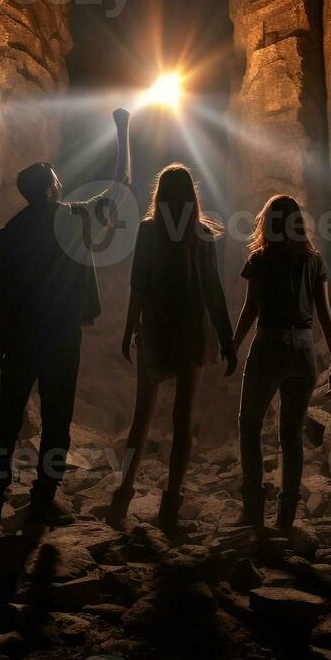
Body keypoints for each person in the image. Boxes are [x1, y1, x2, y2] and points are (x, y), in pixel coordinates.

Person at [0, 108, 132, 537]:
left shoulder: (8, 235)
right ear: (48, 192)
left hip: (21, 337)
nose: (62, 184)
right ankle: (43, 501)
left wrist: (1, 339)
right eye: (57, 181)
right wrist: (122, 128)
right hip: (61, 334)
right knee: (57, 419)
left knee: (6, 418)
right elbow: (120, 188)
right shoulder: (72, 217)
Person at [106, 163, 237, 533]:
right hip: (192, 332)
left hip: (156, 331)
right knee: (183, 421)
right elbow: (214, 291)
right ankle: (170, 505)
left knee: (140, 418)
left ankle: (122, 498)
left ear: (159, 194)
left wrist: (130, 329)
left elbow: (138, 286)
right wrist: (226, 339)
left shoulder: (149, 231)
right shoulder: (202, 234)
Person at [232, 194, 331, 531]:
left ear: (267, 223)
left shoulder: (260, 259)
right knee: (291, 433)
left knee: (250, 424)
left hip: (270, 343)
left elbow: (251, 309)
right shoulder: (314, 260)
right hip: (304, 348)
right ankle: (286, 516)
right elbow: (324, 314)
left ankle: (252, 510)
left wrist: (232, 346)